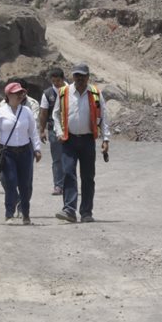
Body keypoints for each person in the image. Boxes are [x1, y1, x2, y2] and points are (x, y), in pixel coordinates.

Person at [52, 63, 109, 223]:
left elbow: (104, 116)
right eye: (77, 76)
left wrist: (106, 138)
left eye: (82, 76)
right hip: (69, 140)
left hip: (87, 140)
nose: (79, 79)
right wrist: (59, 131)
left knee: (88, 177)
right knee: (68, 173)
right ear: (73, 77)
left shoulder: (95, 93)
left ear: (88, 77)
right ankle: (69, 210)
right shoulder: (64, 92)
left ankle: (86, 212)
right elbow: (55, 114)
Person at [0, 82, 43, 224]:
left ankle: (25, 214)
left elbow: (33, 132)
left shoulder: (26, 111)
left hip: (25, 152)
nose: (20, 96)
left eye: (21, 93)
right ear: (8, 95)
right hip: (8, 153)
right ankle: (9, 214)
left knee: (26, 184)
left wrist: (37, 149)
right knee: (11, 182)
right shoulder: (0, 112)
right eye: (17, 93)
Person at [37, 67, 68, 196]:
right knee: (57, 159)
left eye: (58, 80)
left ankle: (69, 184)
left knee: (70, 158)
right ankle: (58, 185)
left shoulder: (70, 91)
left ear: (63, 79)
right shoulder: (48, 94)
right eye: (53, 81)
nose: (56, 83)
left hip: (69, 129)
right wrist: (42, 130)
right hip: (54, 130)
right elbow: (43, 113)